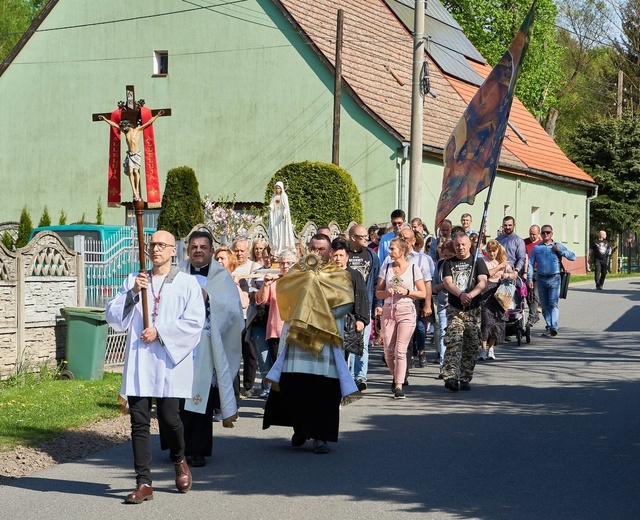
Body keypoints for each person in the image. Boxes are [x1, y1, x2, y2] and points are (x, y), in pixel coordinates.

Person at [106, 230, 204, 504]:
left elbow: (194, 323)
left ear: (174, 251)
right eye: (152, 244)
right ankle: (144, 482)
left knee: (170, 419)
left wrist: (159, 331)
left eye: (162, 245)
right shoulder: (135, 280)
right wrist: (134, 292)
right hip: (140, 361)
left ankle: (178, 458)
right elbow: (113, 315)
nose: (156, 249)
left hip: (169, 361)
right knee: (139, 422)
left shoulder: (186, 284)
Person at [263, 235, 360, 454]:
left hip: (326, 337)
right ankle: (300, 429)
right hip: (299, 337)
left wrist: (319, 316)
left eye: (322, 249)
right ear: (308, 249)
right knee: (296, 386)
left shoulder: (339, 275)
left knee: (323, 390)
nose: (317, 252)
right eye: (314, 248)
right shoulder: (297, 271)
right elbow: (285, 297)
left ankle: (320, 437)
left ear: (329, 251)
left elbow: (345, 303)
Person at [178, 231, 243, 468]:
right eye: (194, 246)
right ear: (188, 250)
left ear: (211, 251)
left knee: (200, 401)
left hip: (205, 344)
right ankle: (177, 449)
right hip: (179, 345)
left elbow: (234, 313)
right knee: (176, 400)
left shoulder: (221, 278)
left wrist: (209, 300)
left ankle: (198, 451)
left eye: (203, 247)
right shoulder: (176, 274)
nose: (198, 250)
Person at [376, 237, 427, 399]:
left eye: (393, 249)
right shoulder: (387, 268)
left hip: (406, 311)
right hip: (388, 311)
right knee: (388, 352)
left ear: (402, 251)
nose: (390, 251)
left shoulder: (413, 268)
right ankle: (396, 374)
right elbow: (378, 292)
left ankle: (398, 385)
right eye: (390, 249)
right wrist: (387, 293)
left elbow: (422, 293)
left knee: (400, 350)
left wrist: (406, 292)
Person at [442, 233, 488, 392]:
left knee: (471, 344)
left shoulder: (478, 262)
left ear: (469, 245)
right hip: (455, 309)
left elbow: (483, 282)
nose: (460, 248)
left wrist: (470, 295)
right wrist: (460, 295)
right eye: (457, 245)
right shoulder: (449, 263)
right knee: (453, 340)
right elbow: (448, 283)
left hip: (473, 310)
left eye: (463, 244)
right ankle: (450, 376)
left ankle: (465, 377)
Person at [254, 249, 298, 399]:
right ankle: (280, 399)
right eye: (282, 263)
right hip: (276, 330)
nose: (285, 266)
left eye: (289, 263)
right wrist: (265, 285)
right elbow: (261, 300)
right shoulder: (275, 281)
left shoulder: (301, 281)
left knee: (292, 369)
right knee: (276, 368)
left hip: (294, 331)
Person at [98, 111, 164, 201]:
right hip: (130, 154)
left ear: (128, 125)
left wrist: (157, 115)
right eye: (123, 128)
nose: (123, 129)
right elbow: (114, 124)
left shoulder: (138, 130)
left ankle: (137, 190)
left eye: (124, 127)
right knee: (130, 171)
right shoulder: (125, 132)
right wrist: (105, 119)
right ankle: (134, 191)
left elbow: (149, 122)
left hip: (136, 154)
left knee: (136, 172)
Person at [345, 225, 381, 391]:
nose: (367, 239)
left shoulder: (371, 255)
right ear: (353, 237)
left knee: (363, 343)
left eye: (367, 236)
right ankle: (349, 375)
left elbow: (375, 282)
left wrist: (377, 305)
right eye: (363, 237)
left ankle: (361, 376)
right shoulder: (344, 254)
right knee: (348, 344)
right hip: (346, 306)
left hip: (364, 304)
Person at [527, 225, 575, 337]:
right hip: (541, 279)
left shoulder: (557, 246)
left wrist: (561, 251)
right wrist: (529, 278)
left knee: (553, 304)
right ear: (540, 234)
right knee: (544, 306)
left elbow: (573, 257)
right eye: (543, 233)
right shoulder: (537, 248)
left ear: (552, 233)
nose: (545, 234)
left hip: (555, 278)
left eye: (547, 232)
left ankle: (554, 326)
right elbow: (530, 264)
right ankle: (549, 326)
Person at [231, 238, 261, 398]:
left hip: (249, 316)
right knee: (234, 353)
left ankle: (248, 385)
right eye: (236, 250)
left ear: (247, 251)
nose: (239, 253)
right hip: (233, 318)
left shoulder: (254, 267)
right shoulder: (230, 266)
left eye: (242, 250)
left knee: (250, 353)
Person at [478, 240, 514, 361]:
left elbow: (513, 274)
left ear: (498, 250)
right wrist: (499, 267)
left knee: (496, 323)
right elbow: (486, 274)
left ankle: (491, 348)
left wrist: (508, 275)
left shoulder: (502, 261)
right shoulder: (483, 261)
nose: (492, 254)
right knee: (486, 321)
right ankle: (483, 348)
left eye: (494, 251)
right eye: (490, 251)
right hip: (486, 291)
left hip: (499, 292)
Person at [431, 239, 455, 378]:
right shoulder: (439, 265)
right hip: (443, 304)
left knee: (456, 336)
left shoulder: (458, 265)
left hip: (457, 304)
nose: (447, 259)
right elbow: (434, 287)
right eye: (445, 256)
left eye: (450, 256)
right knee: (443, 335)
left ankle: (455, 365)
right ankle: (443, 366)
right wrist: (443, 286)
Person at [268, 182, 296, 256]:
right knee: (276, 231)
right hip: (275, 216)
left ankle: (282, 247)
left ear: (281, 188)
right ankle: (276, 247)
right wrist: (270, 207)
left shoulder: (284, 196)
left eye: (279, 188)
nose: (277, 190)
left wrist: (284, 213)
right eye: (276, 188)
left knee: (282, 231)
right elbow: (273, 205)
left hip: (281, 217)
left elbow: (286, 206)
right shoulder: (274, 196)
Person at [523, 225, 542, 326]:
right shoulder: (524, 242)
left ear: (538, 234)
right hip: (526, 271)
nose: (532, 236)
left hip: (538, 272)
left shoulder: (541, 244)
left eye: (534, 234)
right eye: (530, 234)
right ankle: (535, 315)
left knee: (534, 294)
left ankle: (532, 317)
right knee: (527, 295)